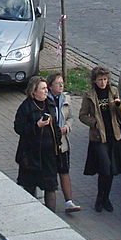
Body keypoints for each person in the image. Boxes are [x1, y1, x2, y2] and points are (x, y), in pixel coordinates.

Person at [77, 65, 121, 212]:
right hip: (99, 137)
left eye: (105, 79)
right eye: (100, 80)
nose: (103, 82)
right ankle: (100, 198)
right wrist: (93, 123)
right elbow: (82, 115)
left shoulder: (113, 91)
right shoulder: (89, 95)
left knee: (111, 170)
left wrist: (119, 105)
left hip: (113, 134)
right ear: (94, 81)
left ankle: (106, 198)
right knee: (105, 169)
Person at [13, 77, 59, 211]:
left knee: (50, 187)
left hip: (48, 155)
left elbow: (55, 126)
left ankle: (52, 217)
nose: (46, 91)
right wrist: (36, 125)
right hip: (30, 155)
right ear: (34, 92)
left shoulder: (49, 104)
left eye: (46, 88)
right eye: (43, 89)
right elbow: (18, 128)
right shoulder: (25, 107)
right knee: (29, 186)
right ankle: (32, 214)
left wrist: (58, 142)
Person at [47, 73, 82, 213]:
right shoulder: (45, 100)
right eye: (57, 83)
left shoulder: (65, 98)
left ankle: (69, 202)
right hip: (49, 143)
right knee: (50, 174)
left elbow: (71, 118)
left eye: (62, 83)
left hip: (63, 142)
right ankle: (49, 206)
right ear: (50, 86)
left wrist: (67, 127)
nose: (61, 85)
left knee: (64, 170)